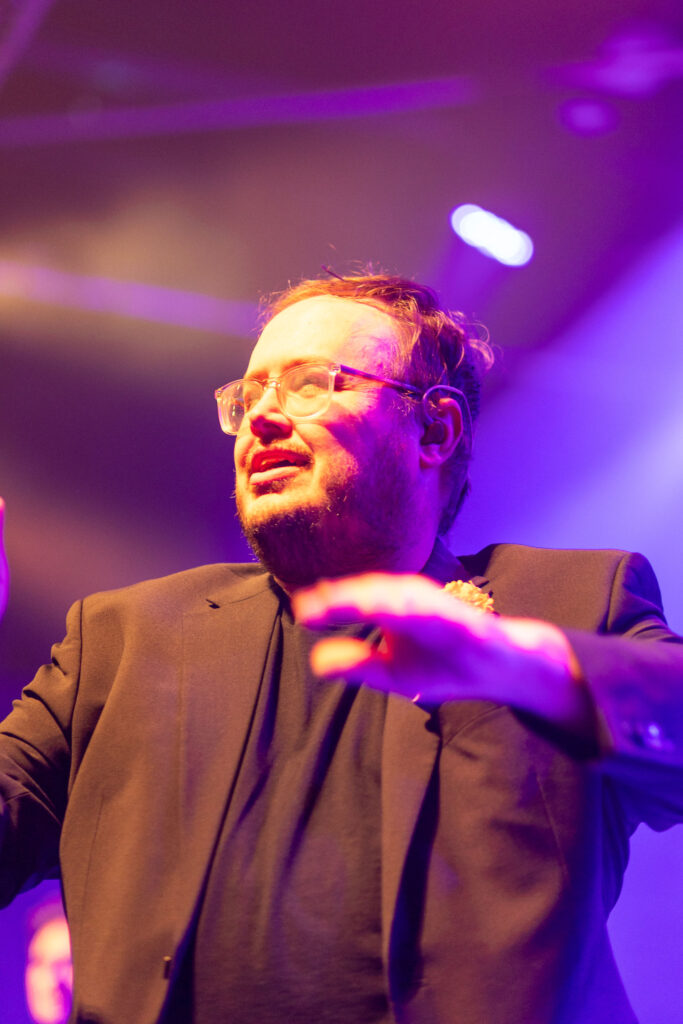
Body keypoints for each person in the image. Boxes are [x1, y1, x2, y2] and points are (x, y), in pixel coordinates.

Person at [0, 272, 682, 1024]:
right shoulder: (125, 639)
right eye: (249, 394)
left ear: (435, 431)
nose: (262, 416)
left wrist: (521, 666)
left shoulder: (567, 604)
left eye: (309, 384)